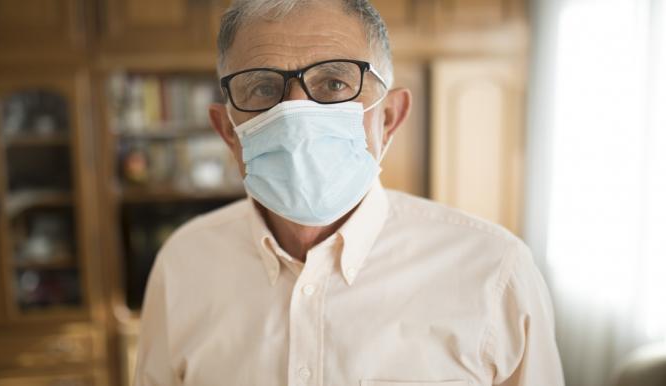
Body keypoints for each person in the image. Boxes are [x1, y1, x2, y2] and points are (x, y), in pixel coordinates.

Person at [134, 0, 565, 385]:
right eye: (263, 89)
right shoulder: (182, 266)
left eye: (335, 83)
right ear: (229, 131)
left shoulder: (495, 273)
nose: (296, 113)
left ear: (390, 118)